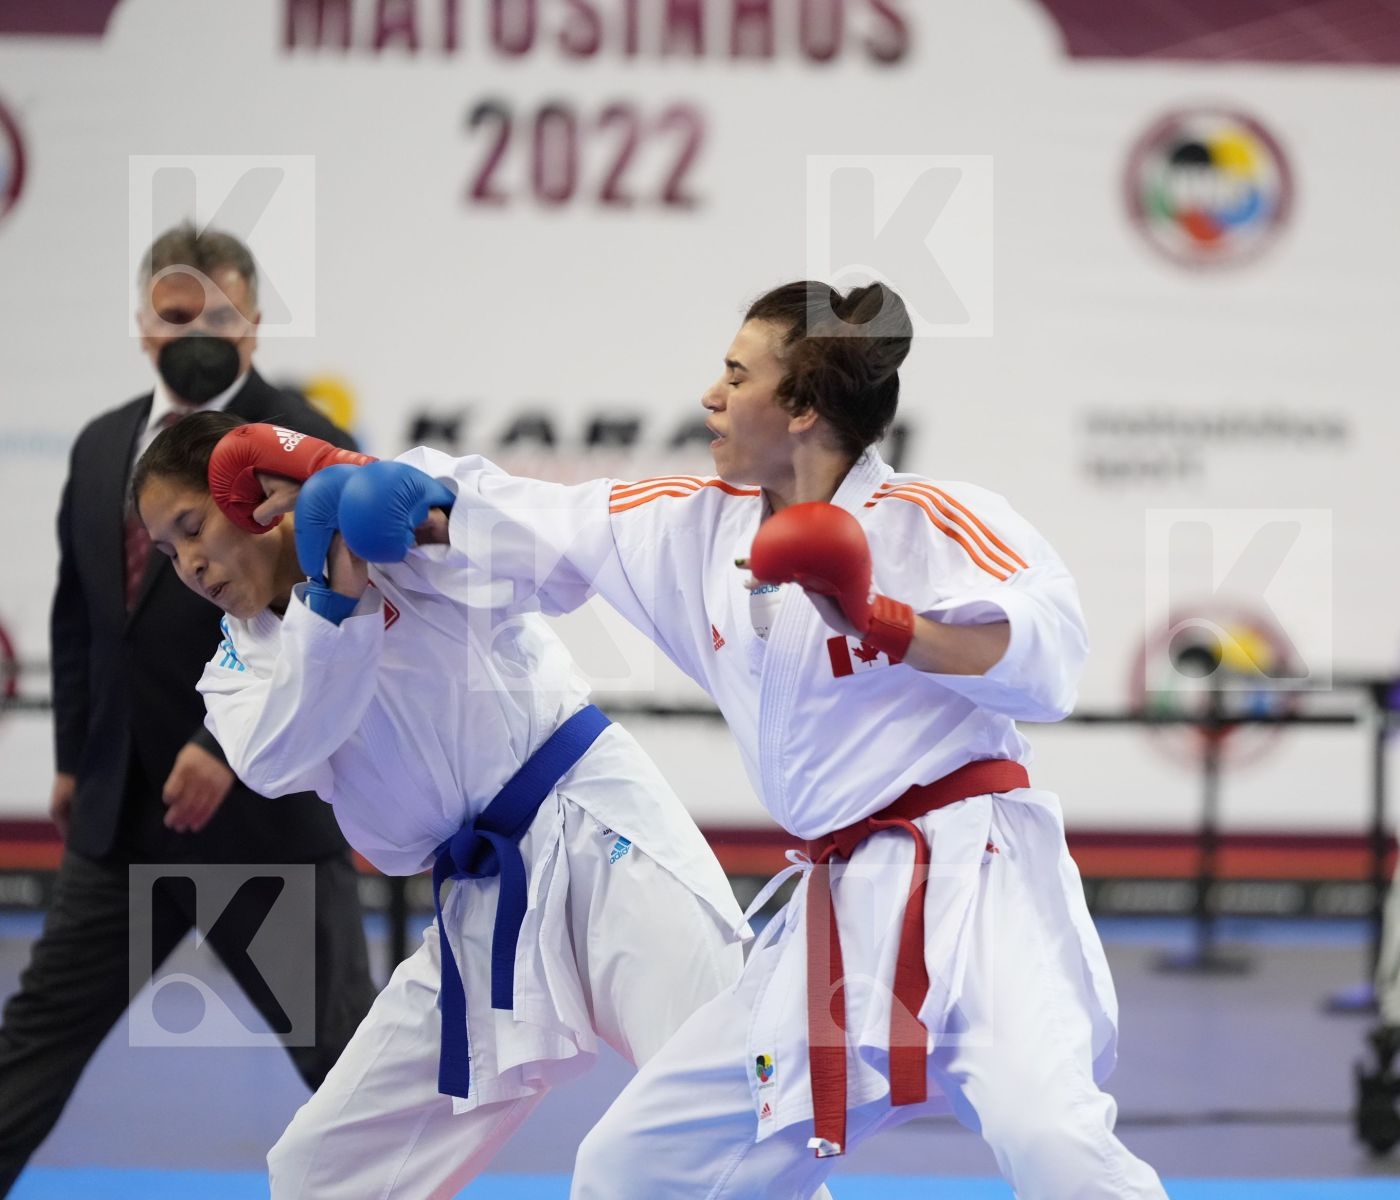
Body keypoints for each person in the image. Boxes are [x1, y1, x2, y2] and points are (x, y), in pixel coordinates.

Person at [333, 281, 1168, 1197]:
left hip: (978, 881)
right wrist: (396, 492)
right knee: (637, 1162)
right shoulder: (695, 527)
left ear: (804, 409)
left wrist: (883, 621)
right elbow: (535, 524)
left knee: (1050, 1139)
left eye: (737, 374)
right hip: (840, 904)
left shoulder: (931, 520)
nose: (711, 396)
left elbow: (1051, 656)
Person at [130, 411, 752, 1197]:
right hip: (479, 904)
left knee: (724, 1113)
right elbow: (279, 756)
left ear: (250, 499)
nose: (187, 563)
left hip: (595, 835)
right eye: (166, 551)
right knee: (321, 1170)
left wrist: (419, 513)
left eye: (191, 528)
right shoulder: (237, 656)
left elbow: (544, 565)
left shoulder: (394, 507)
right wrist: (333, 595)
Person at [0, 224, 375, 1194]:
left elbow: (340, 616)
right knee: (25, 1057)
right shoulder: (99, 446)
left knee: (352, 1081)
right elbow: (82, 615)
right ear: (142, 326)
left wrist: (229, 740)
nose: (196, 333)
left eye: (219, 315)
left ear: (252, 328)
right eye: (176, 317)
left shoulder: (308, 449)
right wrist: (75, 760)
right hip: (121, 821)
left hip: (265, 825)